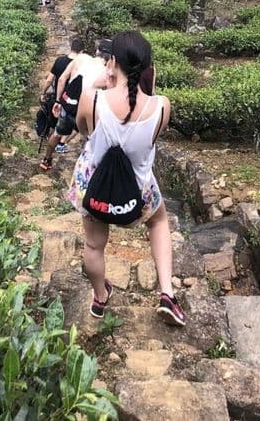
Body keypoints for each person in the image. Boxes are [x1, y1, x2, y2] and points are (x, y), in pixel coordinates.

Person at [67, 30, 186, 326]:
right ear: (147, 69)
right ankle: (167, 293)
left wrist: (96, 85)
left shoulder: (91, 99)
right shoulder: (161, 106)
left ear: (112, 62)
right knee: (159, 221)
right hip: (137, 191)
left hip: (94, 187)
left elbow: (83, 131)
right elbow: (152, 139)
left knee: (94, 246)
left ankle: (99, 297)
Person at [39, 39, 112, 171]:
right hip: (88, 110)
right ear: (111, 58)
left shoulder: (81, 59)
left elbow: (61, 80)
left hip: (69, 105)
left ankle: (46, 160)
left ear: (97, 51)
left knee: (56, 133)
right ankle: (88, 169)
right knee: (90, 138)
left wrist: (58, 101)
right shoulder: (107, 74)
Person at [37, 37, 84, 142]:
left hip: (58, 99)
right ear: (82, 51)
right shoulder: (82, 66)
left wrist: (43, 93)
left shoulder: (60, 61)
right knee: (68, 127)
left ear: (71, 48)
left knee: (54, 124)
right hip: (73, 103)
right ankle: (62, 143)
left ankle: (51, 144)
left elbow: (49, 80)